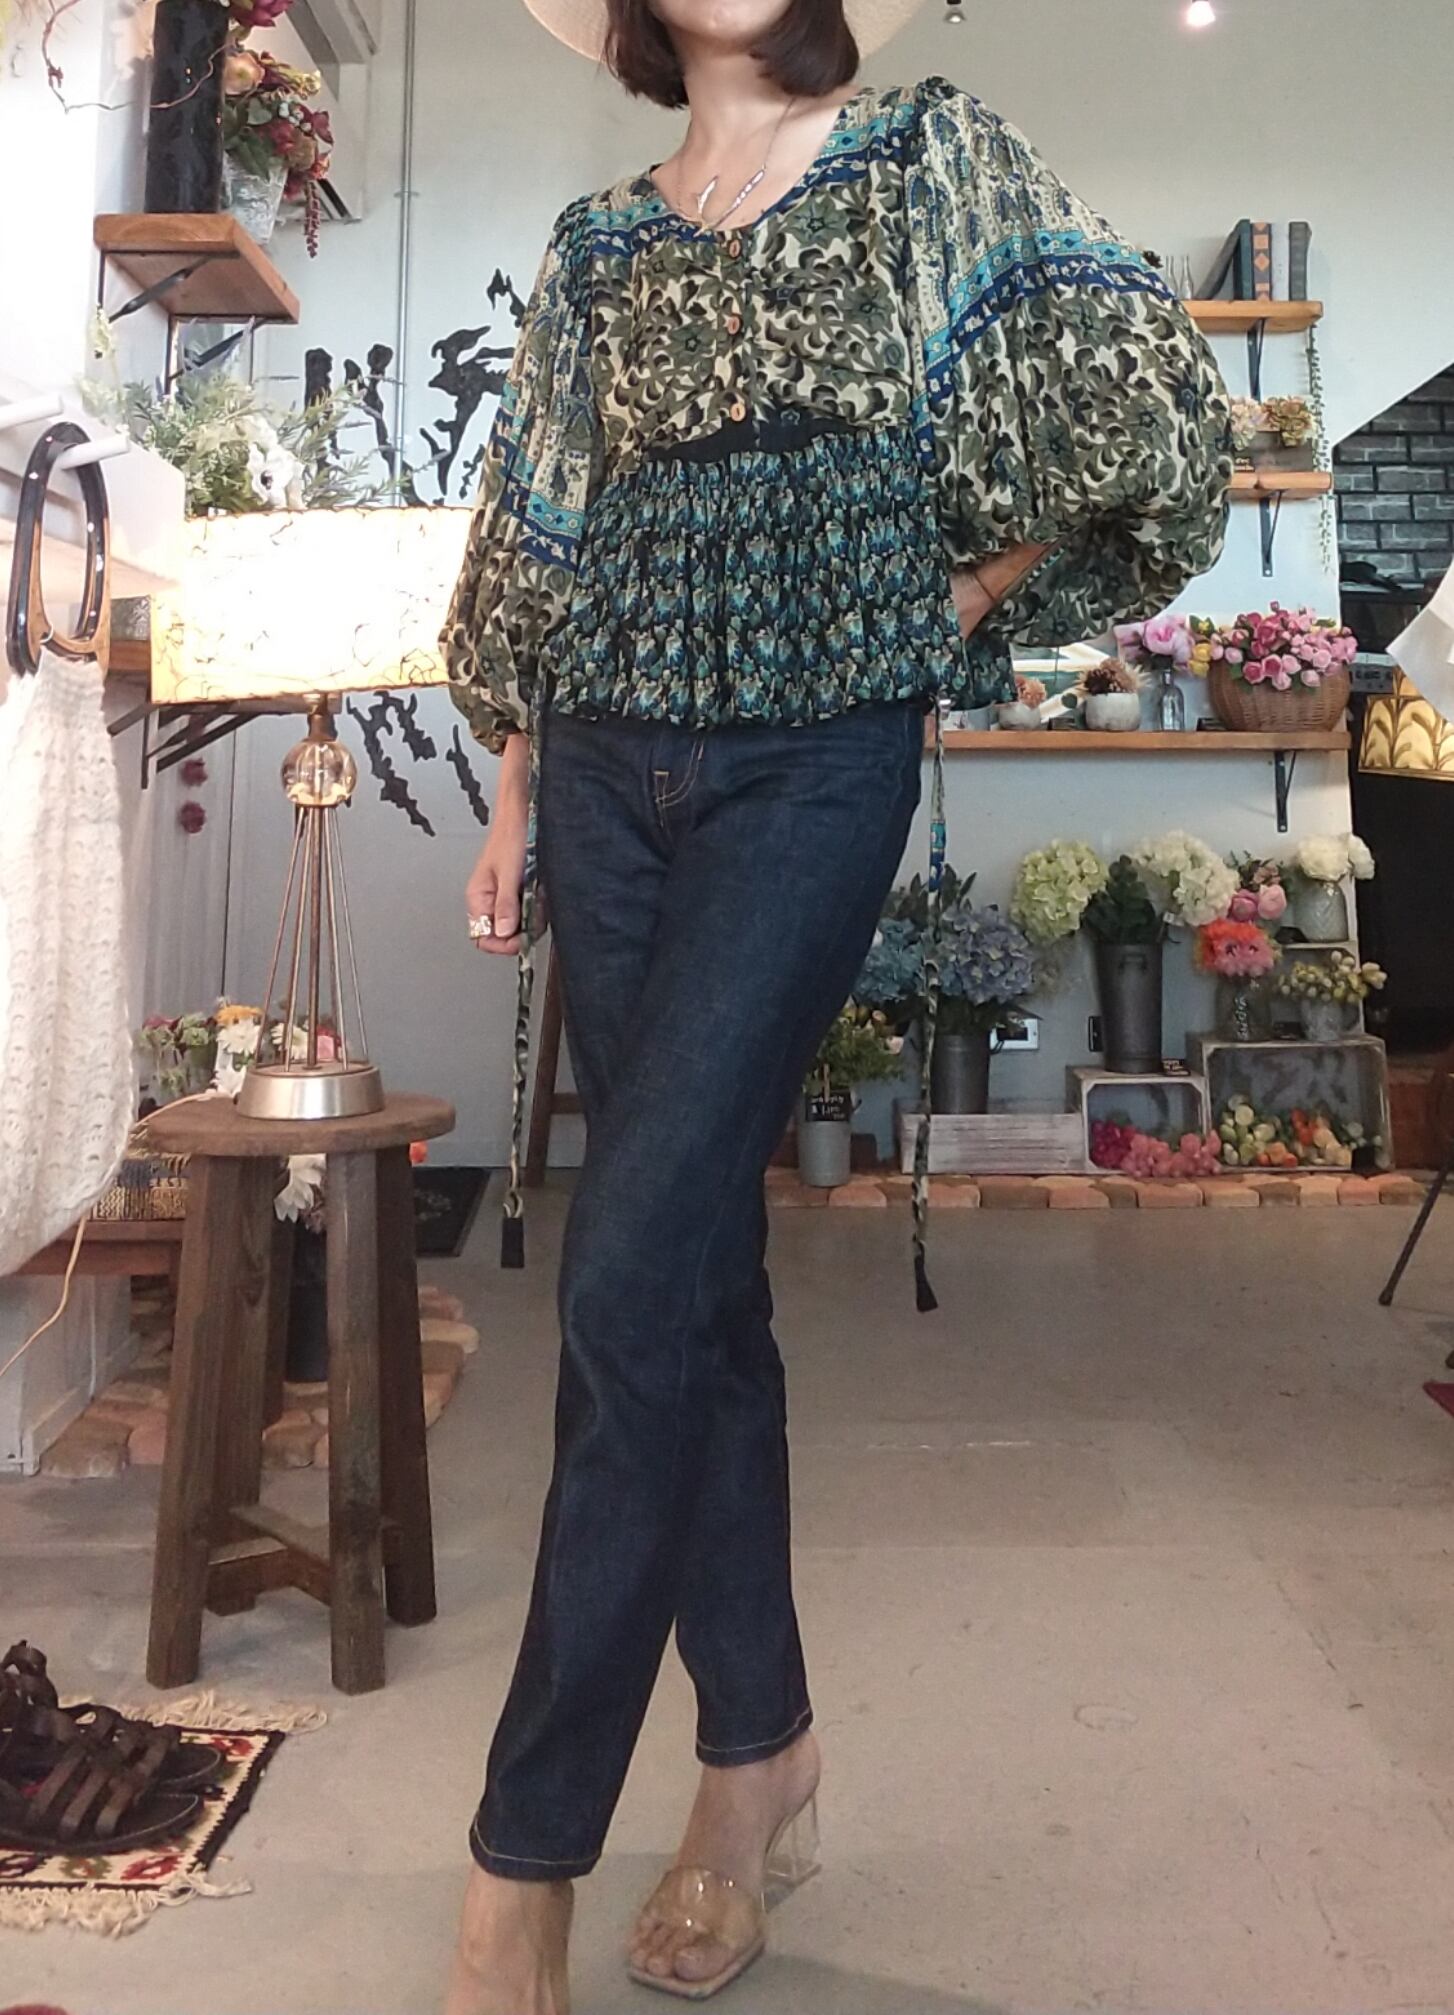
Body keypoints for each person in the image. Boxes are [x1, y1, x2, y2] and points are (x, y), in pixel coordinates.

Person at [442, 2, 1230, 2007]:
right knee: (691, 1281)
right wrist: (517, 787)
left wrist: (951, 596)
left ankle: (517, 1871)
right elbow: (541, 525)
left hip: (811, 760)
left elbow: (1133, 390)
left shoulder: (924, 158)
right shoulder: (598, 244)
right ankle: (755, 1767)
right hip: (602, 754)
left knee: (626, 1274)